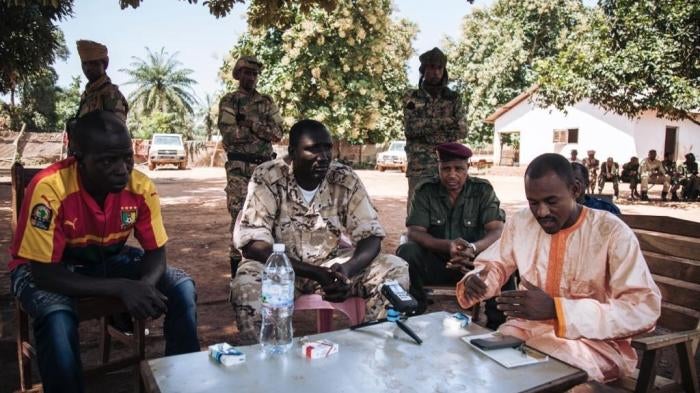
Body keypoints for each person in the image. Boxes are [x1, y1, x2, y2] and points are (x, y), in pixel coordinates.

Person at [9, 111, 199, 393]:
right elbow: (45, 274)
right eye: (108, 161)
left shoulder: (141, 187)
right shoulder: (50, 188)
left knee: (181, 286)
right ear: (79, 159)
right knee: (56, 315)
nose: (122, 169)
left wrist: (143, 288)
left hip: (106, 258)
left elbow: (157, 253)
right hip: (46, 267)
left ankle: (182, 384)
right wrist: (121, 288)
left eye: (127, 157)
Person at [457, 153, 661, 382]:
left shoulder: (611, 232)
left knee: (540, 377)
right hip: (525, 330)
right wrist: (478, 281)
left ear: (575, 190)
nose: (541, 212)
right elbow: (494, 264)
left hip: (593, 344)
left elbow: (643, 309)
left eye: (551, 201)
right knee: (479, 363)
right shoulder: (522, 222)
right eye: (533, 202)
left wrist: (558, 310)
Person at [229, 119, 409, 344]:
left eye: (327, 148)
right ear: (293, 153)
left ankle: (374, 350)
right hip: (280, 268)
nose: (323, 156)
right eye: (313, 149)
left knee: (395, 269)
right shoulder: (268, 176)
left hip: (330, 266)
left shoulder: (344, 178)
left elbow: (371, 236)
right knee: (246, 285)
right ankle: (268, 362)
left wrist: (347, 269)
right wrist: (315, 273)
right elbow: (253, 245)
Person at [396, 142, 508, 327]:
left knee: (505, 259)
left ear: (468, 168)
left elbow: (496, 229)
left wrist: (473, 248)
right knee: (407, 251)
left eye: (459, 169)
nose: (452, 174)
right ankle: (414, 312)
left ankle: (497, 324)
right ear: (438, 167)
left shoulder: (482, 190)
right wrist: (448, 246)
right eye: (446, 168)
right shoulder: (426, 191)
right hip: (437, 264)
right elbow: (415, 232)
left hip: (474, 266)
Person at [218, 55, 284, 278]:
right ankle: (237, 277)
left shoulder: (266, 102)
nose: (251, 77)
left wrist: (250, 124)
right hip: (238, 170)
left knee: (268, 217)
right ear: (238, 74)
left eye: (254, 73)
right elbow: (230, 135)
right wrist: (259, 130)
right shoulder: (229, 101)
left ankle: (266, 271)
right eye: (247, 72)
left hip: (264, 169)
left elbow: (277, 133)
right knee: (238, 219)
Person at [403, 47, 467, 212]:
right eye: (431, 67)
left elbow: (461, 130)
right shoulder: (411, 97)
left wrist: (426, 129)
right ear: (423, 70)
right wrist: (446, 122)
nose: (435, 72)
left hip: (448, 165)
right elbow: (410, 129)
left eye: (439, 67)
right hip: (420, 165)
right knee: (416, 211)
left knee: (448, 209)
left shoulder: (453, 98)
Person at [75, 40, 129, 122]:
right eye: (84, 63)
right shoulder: (86, 96)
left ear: (103, 65)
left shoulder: (111, 93)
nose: (88, 68)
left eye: (93, 63)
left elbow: (115, 130)